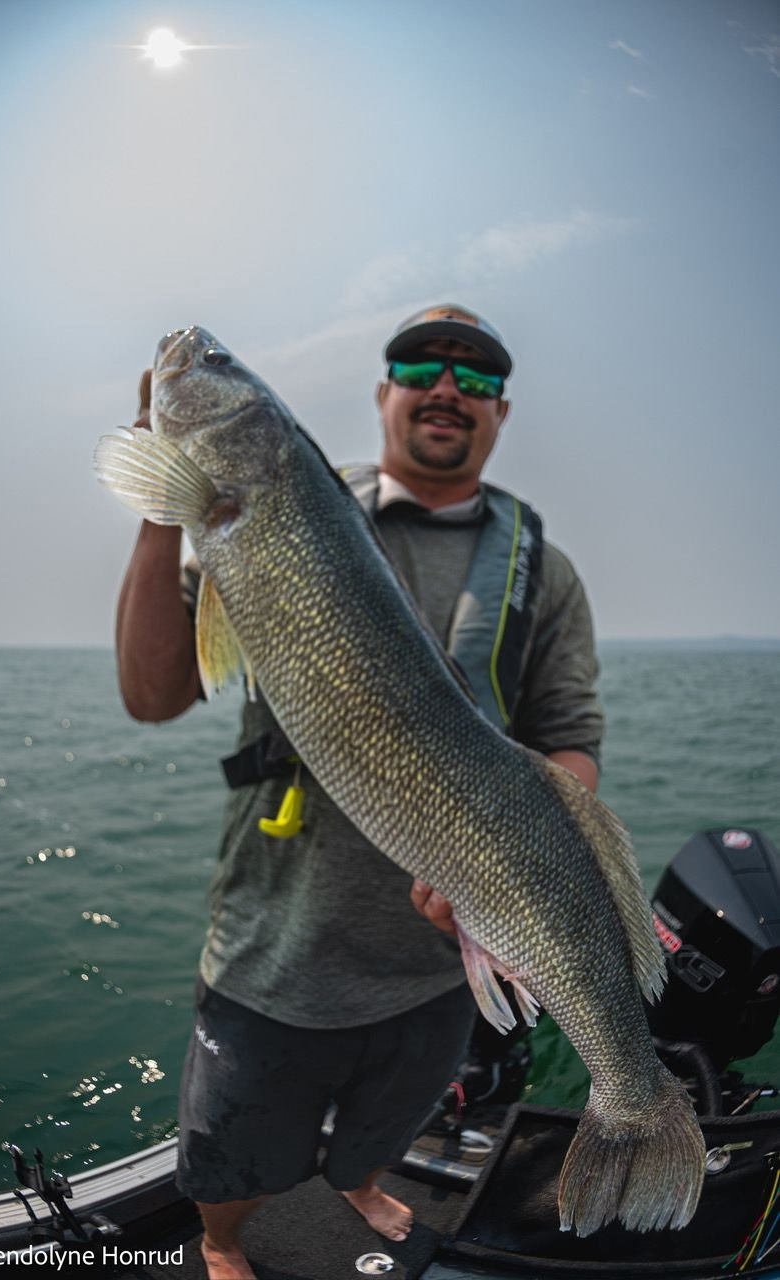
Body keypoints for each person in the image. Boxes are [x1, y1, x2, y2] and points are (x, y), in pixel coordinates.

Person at [115, 304, 603, 1279]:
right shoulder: (283, 502)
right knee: (231, 1146)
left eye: (475, 377)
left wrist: (504, 868)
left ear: (499, 411)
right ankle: (220, 1242)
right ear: (383, 393)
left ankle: (361, 1177)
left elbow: (569, 743)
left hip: (436, 954)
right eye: (420, 364)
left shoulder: (541, 571)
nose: (446, 388)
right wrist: (162, 503)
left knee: (391, 1109)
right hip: (276, 942)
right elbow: (152, 692)